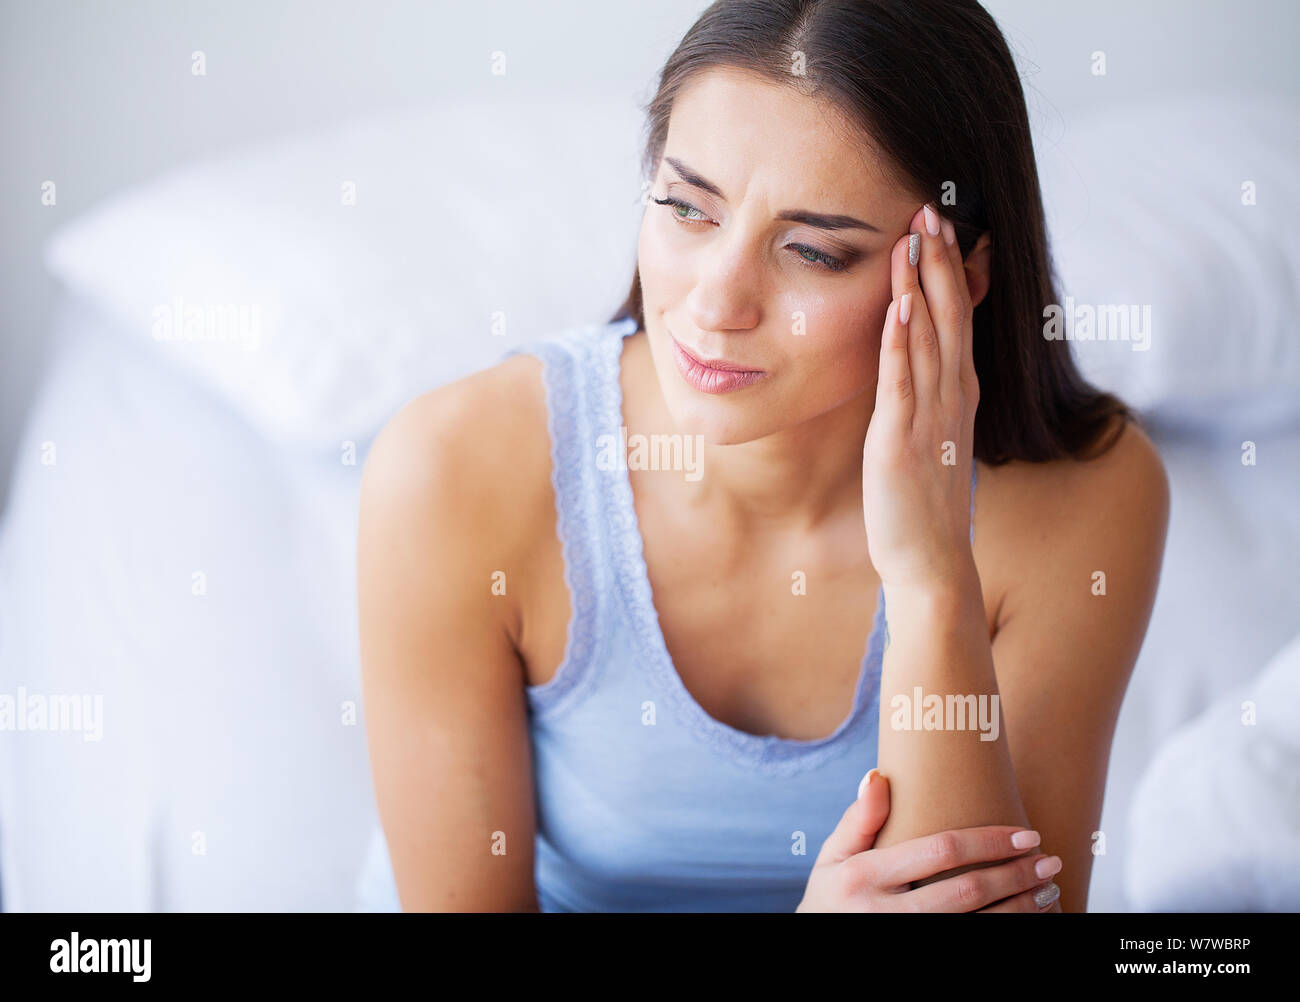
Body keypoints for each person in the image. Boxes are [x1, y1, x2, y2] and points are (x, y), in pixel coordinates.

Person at [356, 0, 1169, 912]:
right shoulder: (449, 469)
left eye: (813, 253)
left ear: (959, 275)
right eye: (685, 208)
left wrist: (933, 576)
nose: (716, 302)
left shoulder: (1087, 493)